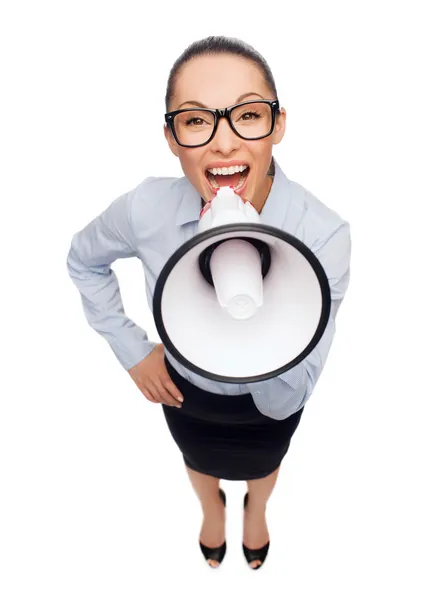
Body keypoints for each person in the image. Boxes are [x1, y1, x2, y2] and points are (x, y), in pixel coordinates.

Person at [66, 35, 351, 570]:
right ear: (172, 138)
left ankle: (256, 511)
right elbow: (84, 260)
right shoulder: (145, 209)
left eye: (247, 115)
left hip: (271, 407)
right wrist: (132, 350)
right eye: (196, 121)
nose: (223, 144)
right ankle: (212, 510)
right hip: (184, 391)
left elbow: (292, 395)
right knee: (196, 459)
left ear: (279, 124)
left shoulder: (324, 235)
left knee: (266, 464)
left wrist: (267, 317)